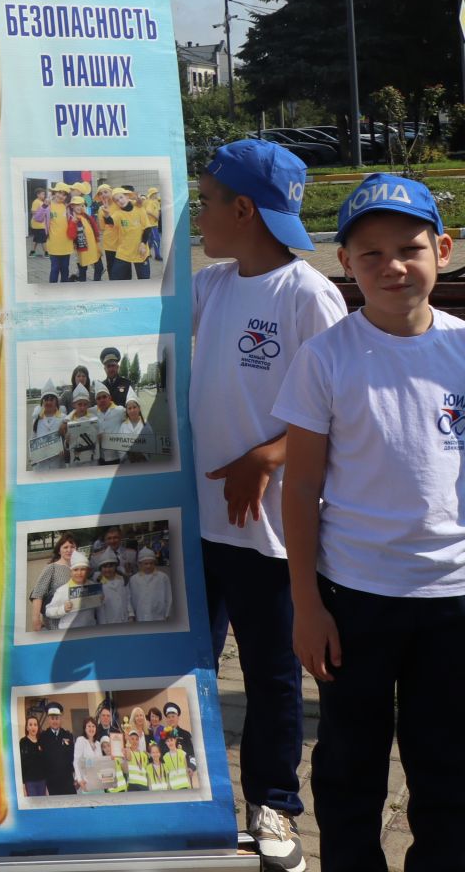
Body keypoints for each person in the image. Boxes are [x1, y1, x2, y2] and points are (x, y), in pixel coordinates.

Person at [278, 172, 465, 870]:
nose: (392, 266)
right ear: (345, 265)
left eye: (409, 248)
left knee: (447, 769)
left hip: (451, 601)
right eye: (371, 253)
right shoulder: (326, 358)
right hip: (354, 600)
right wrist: (305, 605)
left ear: (442, 250)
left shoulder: (460, 348)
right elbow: (299, 489)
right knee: (350, 769)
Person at [191, 139, 340, 871]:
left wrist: (267, 458)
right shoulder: (211, 287)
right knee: (184, 666)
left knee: (272, 676)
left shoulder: (307, 294)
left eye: (207, 201)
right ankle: (179, 799)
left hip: (269, 533)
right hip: (198, 524)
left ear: (243, 209)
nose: (200, 213)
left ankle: (276, 804)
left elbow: (340, 408)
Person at [29, 535, 78, 631]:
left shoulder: (79, 569)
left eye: (72, 547)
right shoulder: (52, 568)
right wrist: (36, 620)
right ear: (59, 551)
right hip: (54, 624)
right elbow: (38, 594)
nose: (69, 550)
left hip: (74, 622)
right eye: (65, 547)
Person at [103, 187, 152, 281]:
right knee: (115, 277)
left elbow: (147, 228)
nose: (120, 201)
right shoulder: (118, 214)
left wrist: (143, 244)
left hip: (140, 252)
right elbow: (110, 221)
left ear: (126, 196)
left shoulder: (139, 209)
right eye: (117, 200)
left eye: (121, 197)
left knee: (144, 280)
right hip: (124, 253)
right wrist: (106, 214)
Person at [45, 551, 99, 630]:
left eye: (83, 569)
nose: (79, 573)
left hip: (90, 629)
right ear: (71, 572)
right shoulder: (62, 590)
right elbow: (48, 611)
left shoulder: (93, 586)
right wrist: (63, 609)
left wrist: (100, 599)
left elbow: (97, 609)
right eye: (76, 570)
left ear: (88, 571)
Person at [36, 703, 77, 798]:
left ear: (60, 719)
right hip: (52, 781)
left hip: (67, 780)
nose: (55, 721)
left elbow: (72, 757)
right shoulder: (42, 737)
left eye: (57, 718)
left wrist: (75, 776)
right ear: (48, 720)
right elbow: (42, 760)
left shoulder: (68, 735)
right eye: (52, 718)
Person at [103, 397, 155, 463]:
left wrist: (142, 456)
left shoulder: (146, 425)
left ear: (139, 408)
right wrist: (128, 457)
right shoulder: (123, 426)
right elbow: (120, 447)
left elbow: (151, 445)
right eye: (129, 408)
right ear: (126, 411)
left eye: (134, 407)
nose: (132, 410)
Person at [131, 548, 173, 622]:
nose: (149, 566)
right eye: (146, 564)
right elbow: (131, 598)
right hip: (141, 616)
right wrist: (132, 614)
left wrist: (167, 614)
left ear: (154, 563)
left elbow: (168, 597)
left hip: (159, 616)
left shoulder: (163, 577)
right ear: (140, 564)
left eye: (151, 563)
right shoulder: (134, 579)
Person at [30, 390, 67, 472]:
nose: (48, 402)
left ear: (56, 401)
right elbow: (33, 440)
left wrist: (64, 450)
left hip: (58, 464)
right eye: (46, 400)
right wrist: (34, 457)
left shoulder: (63, 418)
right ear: (42, 402)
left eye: (51, 400)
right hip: (41, 466)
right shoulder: (36, 420)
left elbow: (67, 440)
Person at [44, 186, 74, 284]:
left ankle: (64, 292)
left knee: (65, 270)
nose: (61, 196)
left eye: (64, 194)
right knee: (55, 269)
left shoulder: (66, 207)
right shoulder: (48, 205)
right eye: (59, 192)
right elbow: (38, 218)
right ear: (54, 192)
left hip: (66, 244)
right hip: (54, 245)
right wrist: (44, 206)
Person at [70, 194, 102, 283]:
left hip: (93, 247)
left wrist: (97, 240)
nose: (79, 207)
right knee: (83, 270)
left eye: (81, 205)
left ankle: (97, 283)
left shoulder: (85, 216)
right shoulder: (72, 219)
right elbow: (71, 235)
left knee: (99, 267)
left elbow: (94, 227)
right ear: (72, 206)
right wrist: (73, 223)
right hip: (82, 250)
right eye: (77, 205)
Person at [65, 390, 102, 466]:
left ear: (88, 405)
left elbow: (100, 438)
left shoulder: (94, 419)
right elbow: (67, 445)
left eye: (85, 404)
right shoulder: (69, 421)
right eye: (80, 404)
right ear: (74, 405)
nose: (82, 407)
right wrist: (67, 441)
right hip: (76, 463)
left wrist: (99, 437)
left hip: (92, 462)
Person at [95, 558, 132, 626]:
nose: (108, 570)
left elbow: (128, 598)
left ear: (115, 567)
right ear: (100, 568)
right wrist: (103, 624)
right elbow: (100, 610)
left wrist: (131, 614)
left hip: (125, 619)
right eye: (105, 567)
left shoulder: (123, 580)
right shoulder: (98, 584)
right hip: (109, 622)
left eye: (111, 566)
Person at [19, 715, 48, 796]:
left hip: (42, 780)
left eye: (35, 725)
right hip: (30, 781)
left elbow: (45, 762)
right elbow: (21, 763)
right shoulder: (23, 742)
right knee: (34, 805)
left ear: (38, 727)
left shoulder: (41, 741)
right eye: (30, 724)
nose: (33, 727)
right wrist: (23, 783)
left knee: (42, 805)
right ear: (27, 728)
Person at [73, 716, 102, 795]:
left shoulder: (98, 744)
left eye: (93, 726)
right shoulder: (81, 740)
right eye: (89, 726)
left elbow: (100, 763)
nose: (91, 728)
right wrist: (79, 780)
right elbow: (76, 761)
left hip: (98, 782)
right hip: (86, 782)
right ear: (84, 728)